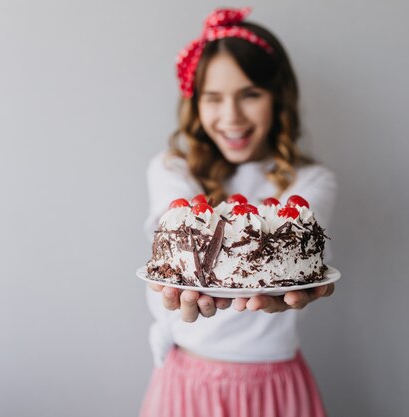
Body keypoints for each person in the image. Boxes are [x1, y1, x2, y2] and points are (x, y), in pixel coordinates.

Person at [140, 7, 337, 417]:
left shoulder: (312, 181)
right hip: (186, 378)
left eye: (250, 94)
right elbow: (178, 226)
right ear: (195, 105)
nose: (231, 117)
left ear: (278, 96)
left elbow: (296, 242)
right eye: (213, 98)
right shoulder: (172, 168)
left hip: (275, 384)